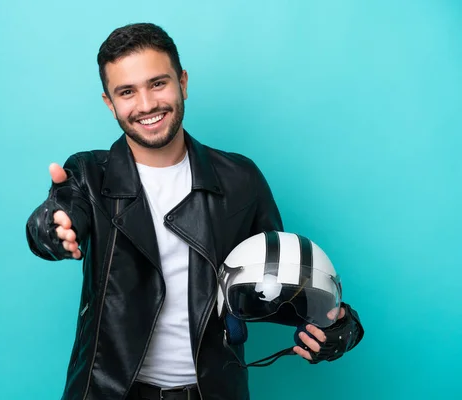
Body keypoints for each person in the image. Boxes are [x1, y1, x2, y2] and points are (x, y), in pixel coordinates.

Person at [25, 22, 363, 400]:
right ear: (110, 102)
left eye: (158, 83)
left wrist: (338, 324)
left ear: (182, 82)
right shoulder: (87, 173)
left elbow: (279, 281)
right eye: (127, 92)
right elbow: (53, 222)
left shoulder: (240, 179)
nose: (147, 104)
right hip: (109, 392)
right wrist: (51, 228)